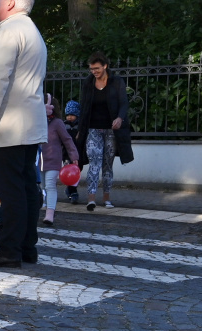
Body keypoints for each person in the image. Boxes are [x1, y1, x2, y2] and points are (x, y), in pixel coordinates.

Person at [0, 0, 48, 268]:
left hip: (7, 126)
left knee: (10, 189)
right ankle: (27, 247)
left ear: (12, 4)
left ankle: (9, 250)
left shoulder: (10, 31)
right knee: (27, 187)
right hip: (28, 125)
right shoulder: (32, 32)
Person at [75, 54, 133, 211]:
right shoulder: (88, 83)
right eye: (91, 69)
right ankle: (91, 199)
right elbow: (84, 106)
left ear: (105, 66)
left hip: (111, 131)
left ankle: (106, 198)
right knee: (94, 163)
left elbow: (123, 103)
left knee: (107, 165)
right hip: (93, 129)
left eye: (97, 68)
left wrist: (120, 118)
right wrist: (81, 130)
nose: (94, 71)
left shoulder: (116, 82)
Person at [40, 94, 79, 226]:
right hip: (38, 161)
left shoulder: (57, 123)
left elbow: (67, 140)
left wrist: (74, 156)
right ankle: (41, 208)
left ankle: (49, 213)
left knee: (50, 186)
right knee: (41, 186)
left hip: (53, 161)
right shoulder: (36, 122)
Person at [62, 101, 81, 204]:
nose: (69, 117)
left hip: (77, 153)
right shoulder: (64, 125)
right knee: (69, 172)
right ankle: (73, 192)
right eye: (68, 115)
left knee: (77, 172)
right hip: (66, 154)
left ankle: (70, 189)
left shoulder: (79, 126)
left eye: (72, 115)